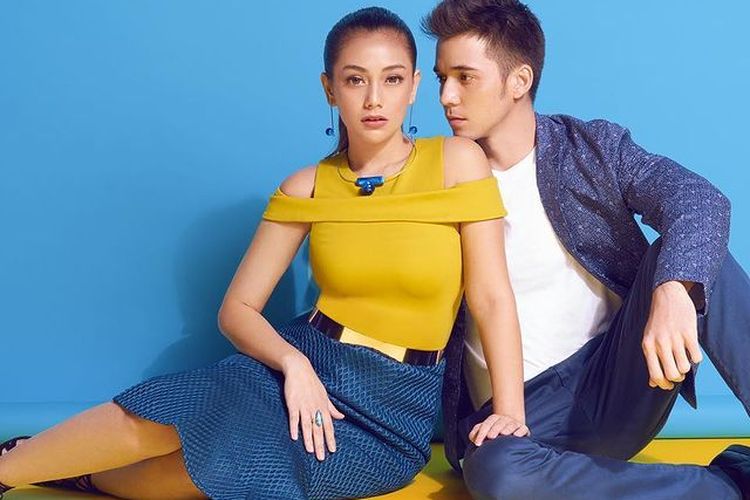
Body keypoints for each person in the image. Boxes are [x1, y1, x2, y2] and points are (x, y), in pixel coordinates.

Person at [0, 6, 526, 500]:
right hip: (306, 362)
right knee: (170, 411)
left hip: (395, 410)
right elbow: (236, 309)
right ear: (329, 88)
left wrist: (510, 412)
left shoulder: (458, 163)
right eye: (354, 80)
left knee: (209, 472)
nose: (373, 99)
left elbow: (491, 297)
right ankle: (12, 468)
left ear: (413, 87)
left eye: (391, 80)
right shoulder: (306, 187)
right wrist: (294, 365)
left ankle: (61, 468)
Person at [423, 0, 750, 498]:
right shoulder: (433, 177)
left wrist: (673, 290)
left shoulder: (590, 149)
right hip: (516, 417)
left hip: (617, 377)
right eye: (442, 78)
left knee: (696, 259)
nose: (447, 97)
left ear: (519, 80)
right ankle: (729, 484)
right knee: (497, 474)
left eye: (465, 77)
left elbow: (698, 199)